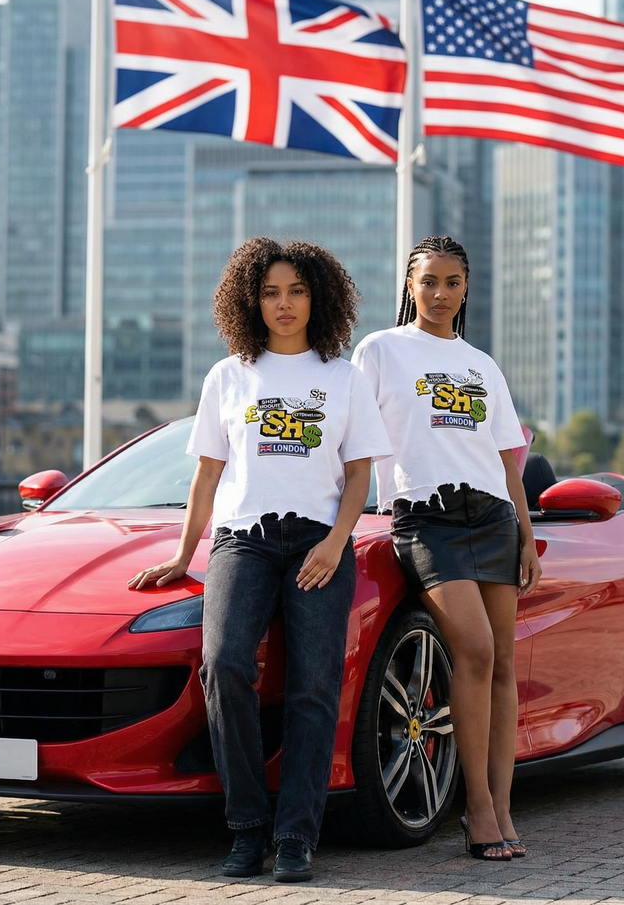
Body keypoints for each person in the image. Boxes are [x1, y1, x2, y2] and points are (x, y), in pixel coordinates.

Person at [129, 238, 391, 883]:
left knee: (313, 686)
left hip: (318, 544)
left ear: (318, 297)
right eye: (271, 292)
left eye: (296, 291)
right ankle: (246, 828)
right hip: (242, 541)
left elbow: (360, 476)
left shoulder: (341, 376)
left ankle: (297, 835)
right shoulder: (229, 375)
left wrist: (336, 543)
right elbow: (206, 478)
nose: (284, 304)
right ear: (251, 300)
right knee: (222, 665)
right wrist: (184, 552)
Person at [352, 235, 542, 862]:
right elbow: (349, 442)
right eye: (429, 280)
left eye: (453, 282)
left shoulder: (482, 365)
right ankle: (477, 809)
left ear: (466, 288)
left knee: (504, 666)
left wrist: (526, 535)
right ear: (410, 285)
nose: (440, 293)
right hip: (425, 518)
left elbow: (508, 462)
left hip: (491, 516)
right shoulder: (379, 351)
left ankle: (504, 808)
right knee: (477, 649)